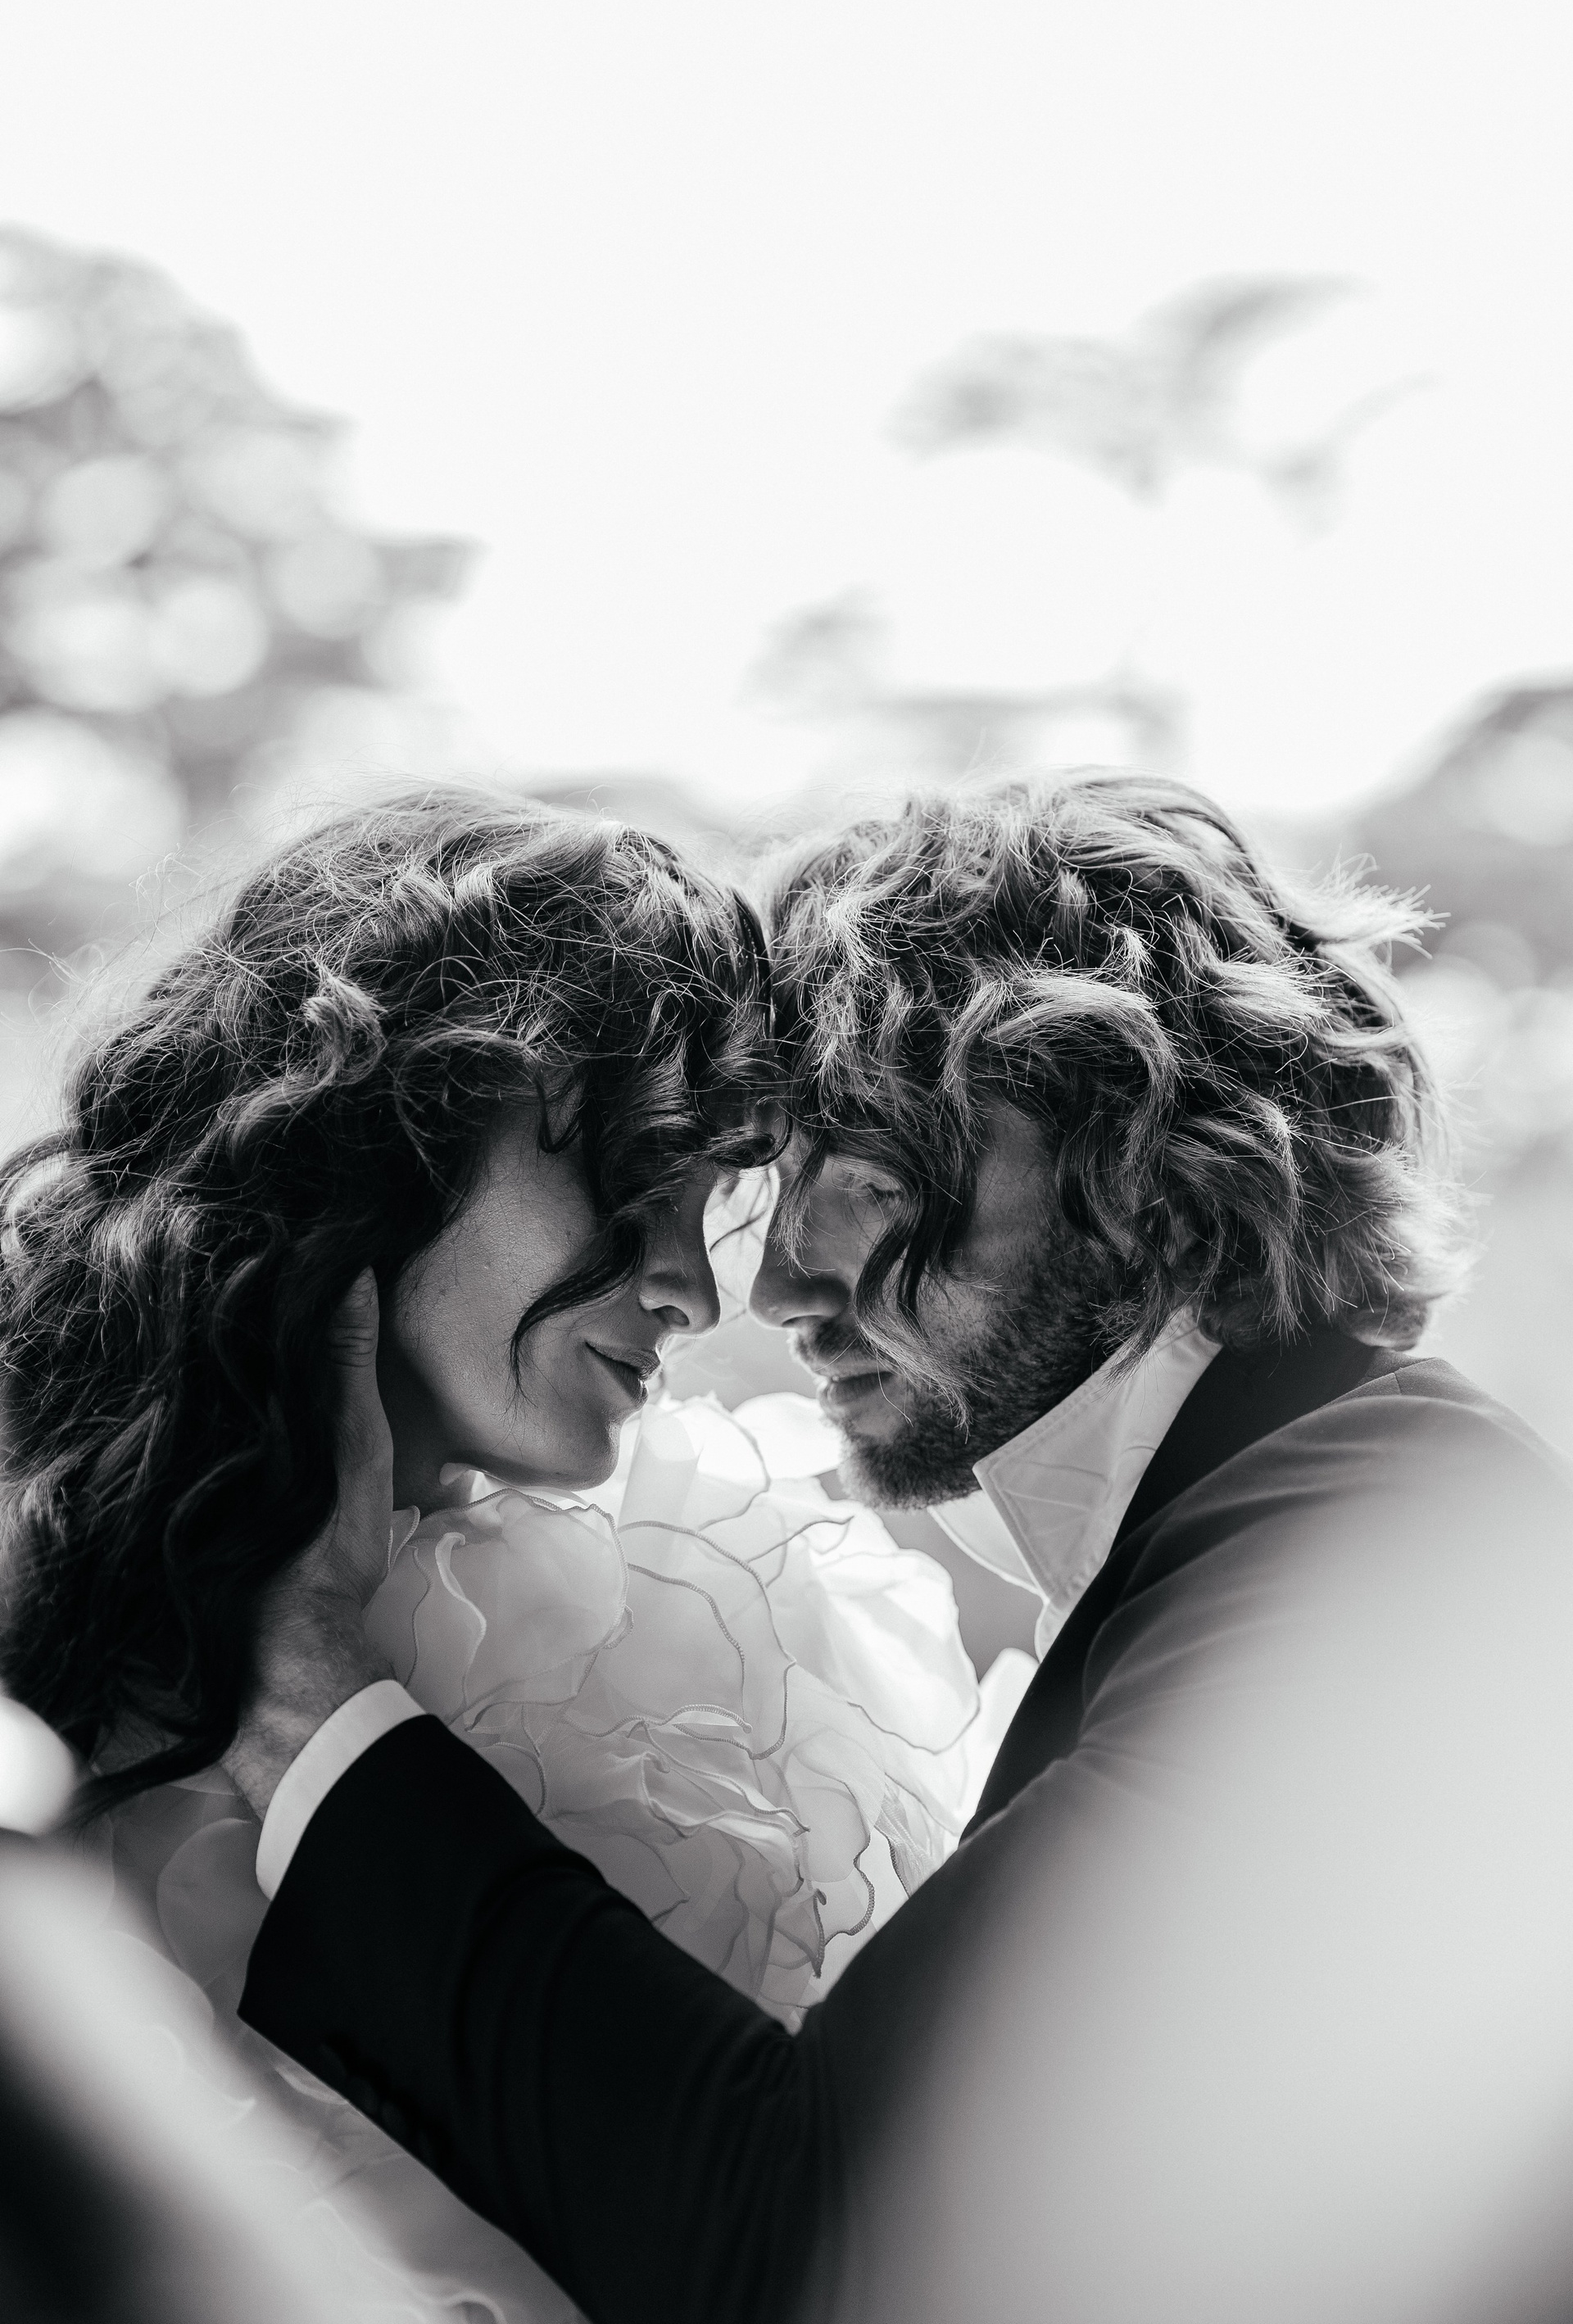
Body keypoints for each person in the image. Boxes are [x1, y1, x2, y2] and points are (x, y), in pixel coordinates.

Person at [227, 776, 1573, 2324]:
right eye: (776, 1189)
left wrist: (308, 1693)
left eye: (868, 1174)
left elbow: (830, 2239)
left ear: (1149, 1171)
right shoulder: (1327, 1515)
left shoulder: (1371, 1553)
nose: (779, 1287)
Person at [0, 790, 995, 2323]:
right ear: (379, 1131)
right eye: (632, 1183)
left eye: (706, 1210)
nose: (693, 1291)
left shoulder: (712, 1655)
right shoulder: (35, 1580)